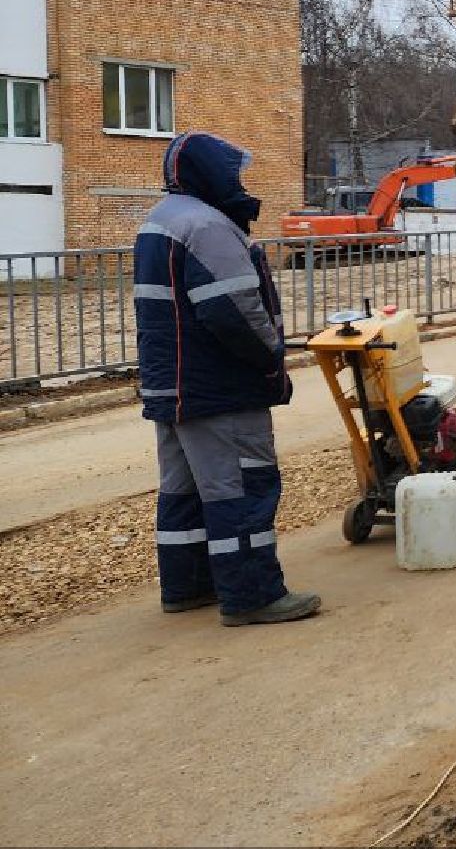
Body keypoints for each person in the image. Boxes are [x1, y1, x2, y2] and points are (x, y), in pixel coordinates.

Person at [136, 132, 320, 626]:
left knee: (185, 492)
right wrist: (270, 361)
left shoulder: (161, 220)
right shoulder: (208, 226)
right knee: (240, 490)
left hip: (173, 387)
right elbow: (236, 312)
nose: (238, 182)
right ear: (210, 174)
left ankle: (189, 586)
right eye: (232, 172)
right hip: (219, 390)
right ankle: (253, 594)